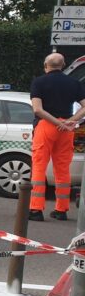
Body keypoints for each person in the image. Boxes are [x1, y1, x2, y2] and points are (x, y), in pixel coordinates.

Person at [29, 53, 85, 221]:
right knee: (62, 169)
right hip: (66, 128)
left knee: (39, 167)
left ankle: (36, 210)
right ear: (63, 65)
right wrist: (69, 121)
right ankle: (61, 210)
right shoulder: (74, 83)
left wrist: (55, 122)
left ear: (46, 65)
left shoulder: (39, 82)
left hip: (46, 126)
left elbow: (38, 110)